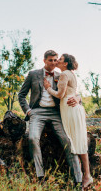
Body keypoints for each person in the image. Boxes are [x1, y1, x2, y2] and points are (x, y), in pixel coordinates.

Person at [18, 50, 83, 188]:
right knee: (32, 138)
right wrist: (28, 111)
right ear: (44, 61)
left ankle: (78, 180)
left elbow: (74, 92)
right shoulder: (33, 74)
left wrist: (78, 99)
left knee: (68, 140)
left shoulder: (62, 74)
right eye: (50, 60)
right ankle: (40, 175)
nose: (53, 63)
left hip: (56, 113)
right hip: (37, 112)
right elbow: (21, 95)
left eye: (55, 60)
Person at [43, 53, 93, 188]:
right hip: (72, 109)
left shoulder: (65, 74)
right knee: (78, 141)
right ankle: (84, 175)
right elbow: (71, 91)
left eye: (60, 59)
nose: (57, 61)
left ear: (65, 63)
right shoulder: (70, 73)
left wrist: (48, 88)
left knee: (75, 142)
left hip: (70, 109)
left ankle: (86, 176)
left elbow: (60, 95)